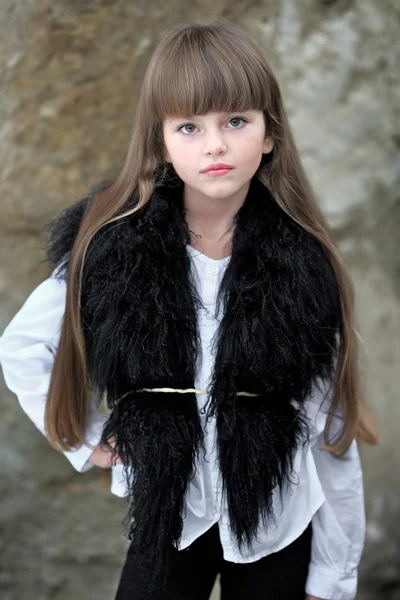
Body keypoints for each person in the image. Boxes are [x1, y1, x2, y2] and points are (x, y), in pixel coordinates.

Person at [0, 19, 379, 600]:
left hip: (279, 516)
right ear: (160, 141)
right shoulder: (112, 246)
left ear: (269, 133)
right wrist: (87, 441)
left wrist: (334, 577)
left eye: (236, 121)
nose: (215, 145)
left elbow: (330, 425)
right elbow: (23, 346)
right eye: (189, 126)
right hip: (171, 511)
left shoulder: (304, 265)